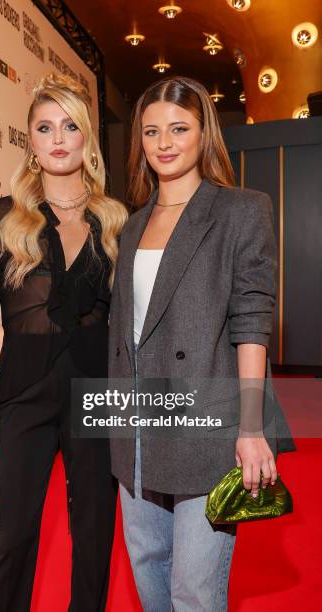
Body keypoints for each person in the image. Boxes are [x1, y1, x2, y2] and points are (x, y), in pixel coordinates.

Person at [108, 76, 295, 611]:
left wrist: (252, 427)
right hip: (137, 423)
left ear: (203, 133)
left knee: (194, 588)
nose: (164, 142)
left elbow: (252, 320)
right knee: (148, 573)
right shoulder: (131, 225)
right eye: (150, 131)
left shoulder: (240, 210)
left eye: (178, 128)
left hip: (207, 422)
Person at [0, 73, 127, 612]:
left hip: (97, 393)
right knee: (11, 535)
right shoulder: (4, 219)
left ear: (86, 141)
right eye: (45, 127)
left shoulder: (115, 220)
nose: (58, 138)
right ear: (30, 142)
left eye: (71, 126)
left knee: (96, 531)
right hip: (22, 393)